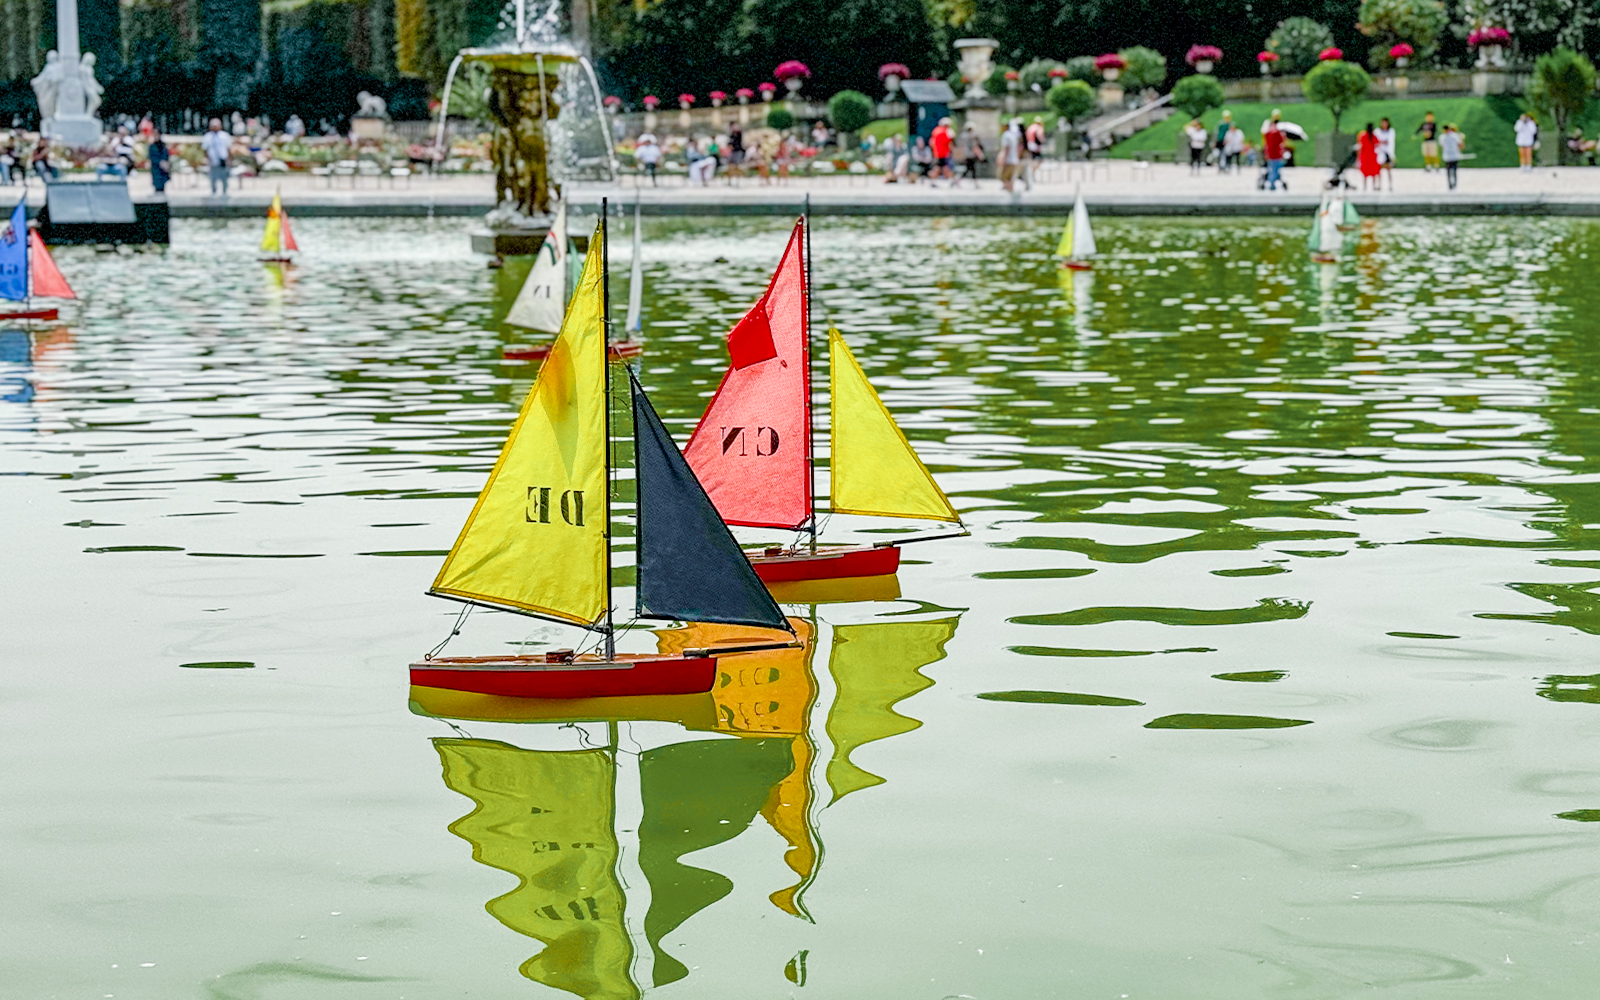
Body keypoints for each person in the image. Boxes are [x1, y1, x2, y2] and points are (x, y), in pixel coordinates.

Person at [202, 117, 231, 195]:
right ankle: (213, 193)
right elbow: (205, 149)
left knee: (224, 177)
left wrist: (229, 160)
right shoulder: (207, 137)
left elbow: (229, 148)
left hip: (223, 160)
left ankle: (225, 193)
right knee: (213, 178)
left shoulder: (225, 136)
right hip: (213, 160)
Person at [1261, 110, 1287, 191]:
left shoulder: (1268, 131)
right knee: (1274, 171)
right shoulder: (1278, 132)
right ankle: (1272, 185)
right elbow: (1282, 141)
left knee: (1272, 169)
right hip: (1276, 154)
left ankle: (1272, 184)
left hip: (1269, 154)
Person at [1440, 123, 1465, 190]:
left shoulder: (1442, 137)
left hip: (1448, 156)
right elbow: (1461, 145)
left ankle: (1451, 184)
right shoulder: (1455, 136)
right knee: (1453, 171)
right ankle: (1452, 184)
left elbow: (1442, 146)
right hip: (1453, 155)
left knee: (1450, 171)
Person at [959, 123, 985, 187]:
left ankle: (958, 180)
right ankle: (957, 180)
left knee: (970, 169)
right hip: (971, 155)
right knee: (970, 169)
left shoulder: (963, 136)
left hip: (966, 154)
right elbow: (975, 146)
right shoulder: (973, 136)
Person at [1357, 122, 1381, 190]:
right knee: (1373, 172)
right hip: (1372, 156)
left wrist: (1358, 157)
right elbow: (1377, 145)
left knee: (1366, 173)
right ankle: (1373, 186)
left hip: (1366, 156)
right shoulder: (1373, 136)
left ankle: (1365, 186)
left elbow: (1360, 147)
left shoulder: (1363, 136)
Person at [1375, 117, 1397, 190]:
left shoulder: (1390, 131)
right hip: (1380, 153)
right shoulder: (1378, 131)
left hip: (1387, 153)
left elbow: (1389, 141)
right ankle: (1379, 185)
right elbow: (1377, 141)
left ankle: (1390, 185)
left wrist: (1382, 142)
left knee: (1388, 170)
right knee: (1379, 170)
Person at [1025, 115, 1046, 184]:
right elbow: (1040, 137)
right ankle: (1032, 172)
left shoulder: (1030, 127)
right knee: (1038, 160)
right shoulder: (1039, 128)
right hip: (1035, 145)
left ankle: (1032, 171)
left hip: (1029, 144)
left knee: (1032, 159)